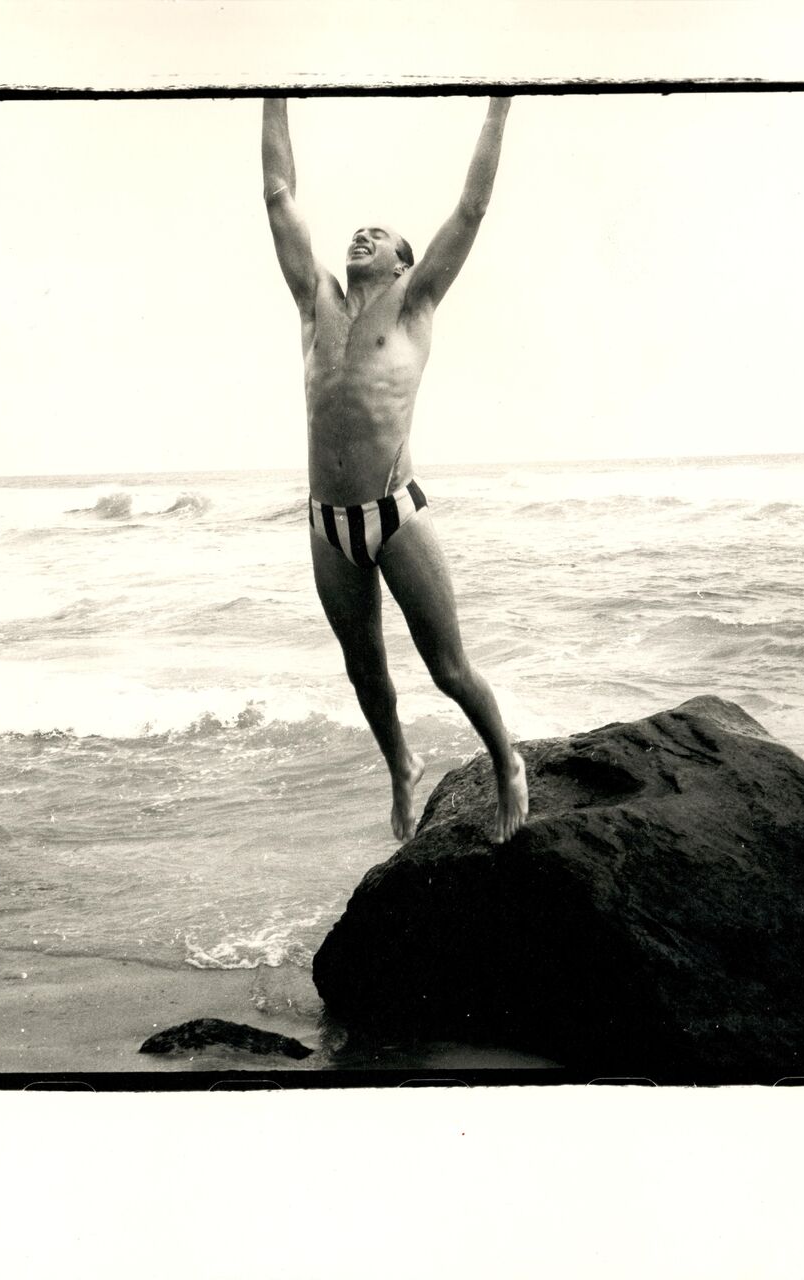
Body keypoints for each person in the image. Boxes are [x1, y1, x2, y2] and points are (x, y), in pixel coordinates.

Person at [261, 96, 529, 845]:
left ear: (404, 262)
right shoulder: (316, 305)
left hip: (394, 514)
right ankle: (399, 765)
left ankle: (506, 762)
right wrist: (273, 94)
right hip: (327, 523)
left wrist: (499, 107)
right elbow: (278, 195)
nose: (362, 234)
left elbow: (471, 210)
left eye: (379, 234)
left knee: (446, 667)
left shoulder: (415, 304)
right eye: (358, 230)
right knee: (364, 672)